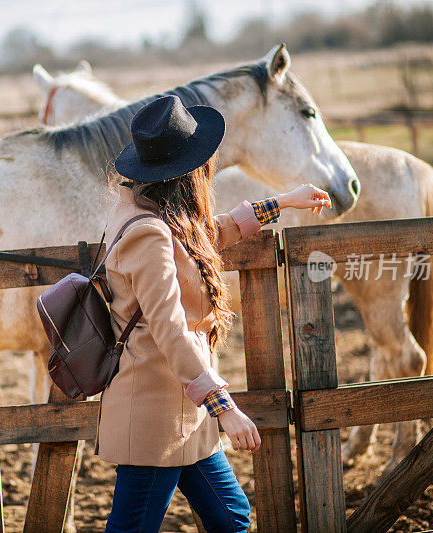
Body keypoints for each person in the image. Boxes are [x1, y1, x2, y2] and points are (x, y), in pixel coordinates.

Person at [96, 94, 332, 532]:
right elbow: (170, 329)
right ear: (186, 172)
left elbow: (201, 238)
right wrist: (224, 406)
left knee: (230, 516)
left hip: (183, 408)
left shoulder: (148, 212)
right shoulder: (147, 233)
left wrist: (281, 203)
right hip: (155, 412)